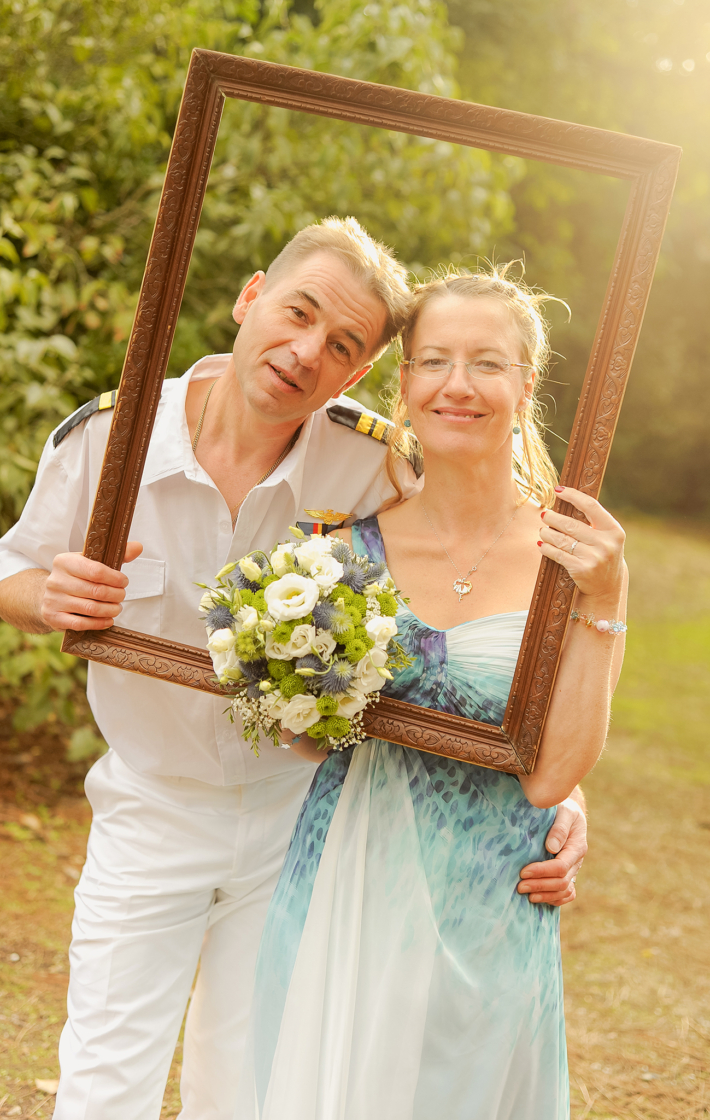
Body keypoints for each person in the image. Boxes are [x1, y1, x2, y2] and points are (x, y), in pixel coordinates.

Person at [0, 224, 586, 1120]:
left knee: (254, 1083)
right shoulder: (110, 438)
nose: (306, 352)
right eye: (297, 313)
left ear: (358, 374)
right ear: (250, 294)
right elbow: (11, 567)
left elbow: (466, 606)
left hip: (302, 817)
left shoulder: (374, 459)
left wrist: (557, 793)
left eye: (343, 346)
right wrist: (46, 597)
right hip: (152, 804)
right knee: (105, 1078)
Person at [237, 266, 627, 1120]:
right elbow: (308, 744)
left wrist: (607, 604)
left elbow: (551, 776)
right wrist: (291, 682)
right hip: (343, 875)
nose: (458, 385)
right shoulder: (336, 550)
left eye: (487, 363)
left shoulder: (573, 560)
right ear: (404, 384)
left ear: (525, 384)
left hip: (489, 896)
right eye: (434, 361)